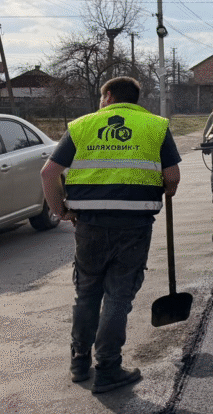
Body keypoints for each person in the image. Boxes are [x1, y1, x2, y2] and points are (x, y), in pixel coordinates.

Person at [40, 76, 181, 393]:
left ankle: (79, 363)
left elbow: (48, 173)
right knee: (118, 296)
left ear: (107, 95)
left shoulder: (81, 125)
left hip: (89, 225)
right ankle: (108, 368)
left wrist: (61, 210)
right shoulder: (155, 126)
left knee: (87, 293)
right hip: (134, 226)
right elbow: (172, 176)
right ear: (135, 99)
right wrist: (166, 190)